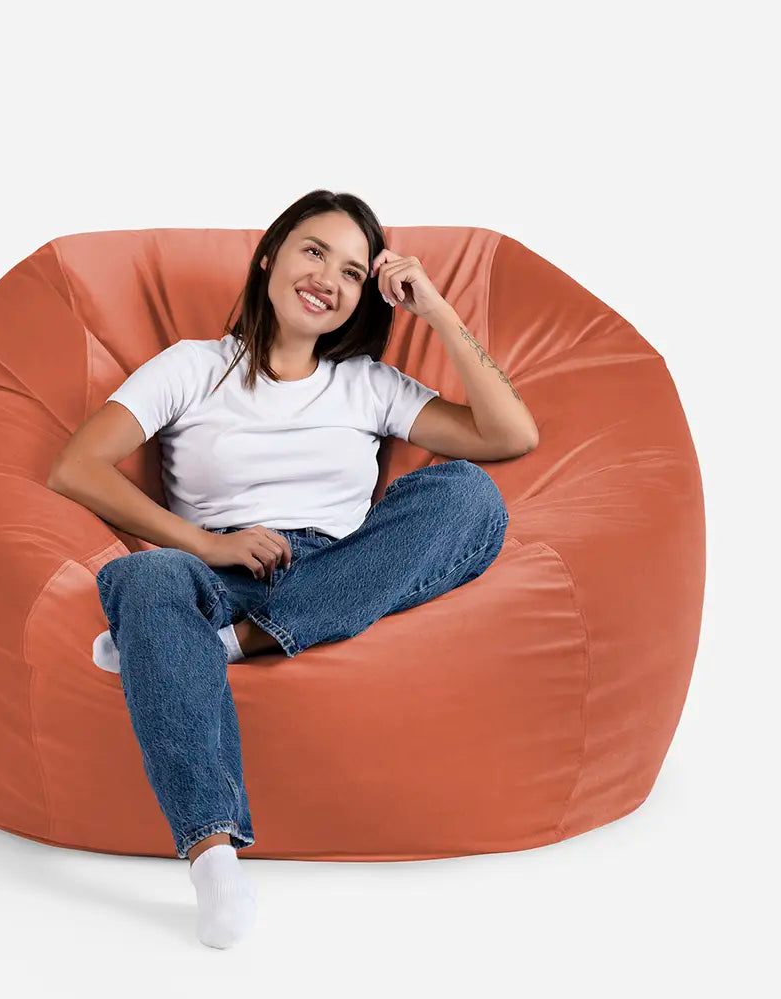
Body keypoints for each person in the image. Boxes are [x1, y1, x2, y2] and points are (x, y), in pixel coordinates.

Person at [47, 189, 534, 948]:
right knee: (146, 579)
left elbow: (511, 436)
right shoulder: (194, 366)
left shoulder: (368, 383)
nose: (328, 281)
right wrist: (205, 544)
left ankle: (221, 645)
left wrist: (436, 310)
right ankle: (214, 860)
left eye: (351, 272)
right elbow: (77, 466)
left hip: (342, 563)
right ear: (270, 255)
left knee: (470, 496)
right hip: (216, 566)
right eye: (314, 252)